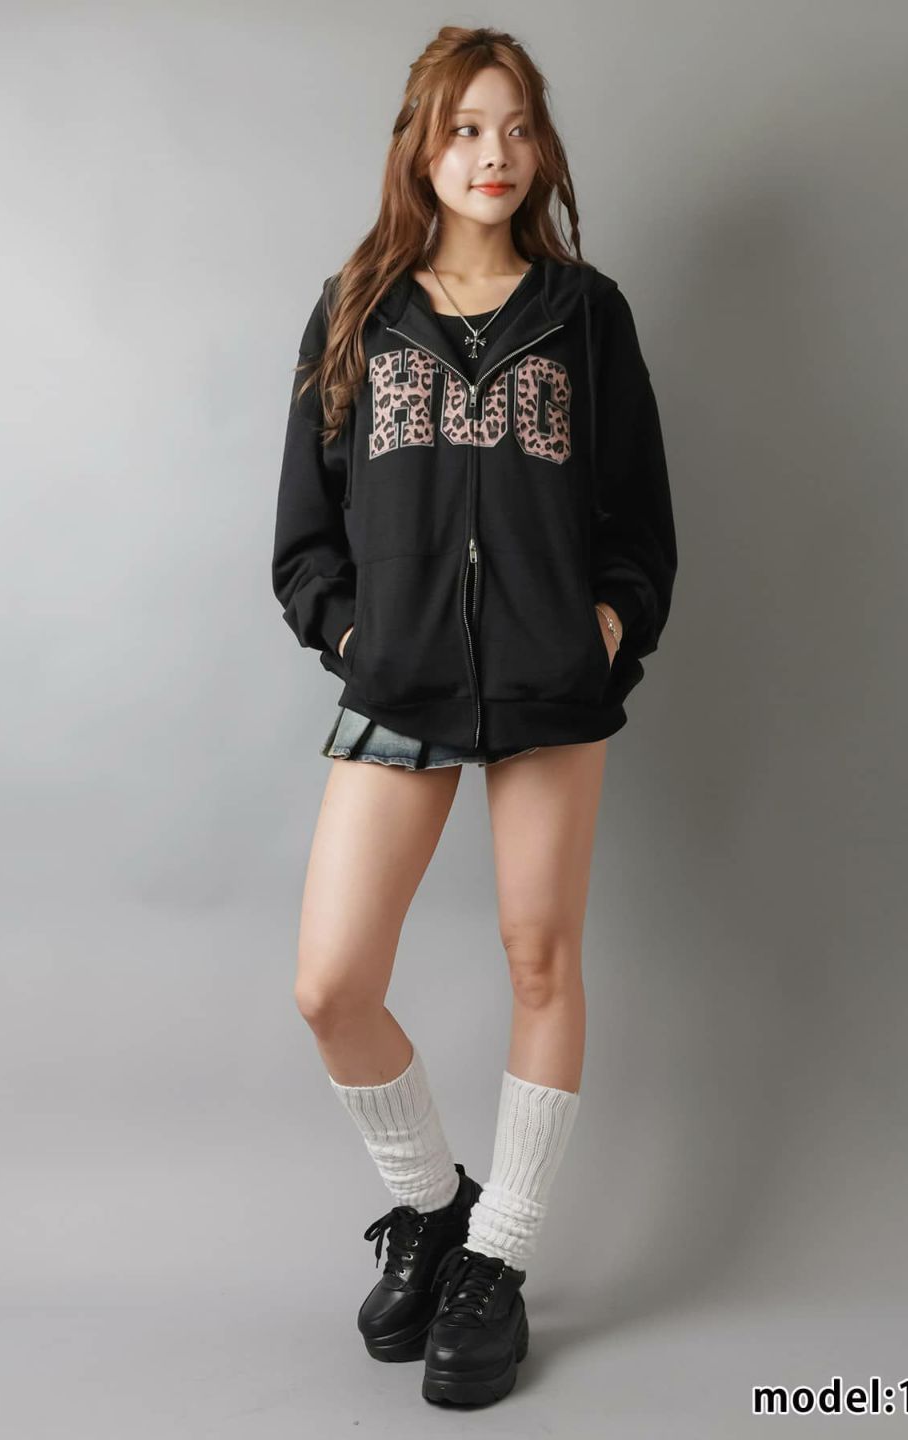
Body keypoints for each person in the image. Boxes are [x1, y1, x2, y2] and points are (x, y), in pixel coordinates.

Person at [271, 25, 677, 1408]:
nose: (492, 154)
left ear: (540, 147)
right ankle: (433, 1204)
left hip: (549, 687)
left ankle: (495, 1262)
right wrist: (355, 634)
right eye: (463, 129)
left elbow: (639, 520)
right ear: (421, 148)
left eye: (514, 128)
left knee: (539, 958)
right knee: (332, 984)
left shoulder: (585, 313)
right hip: (402, 686)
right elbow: (304, 534)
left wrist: (605, 624)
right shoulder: (356, 310)